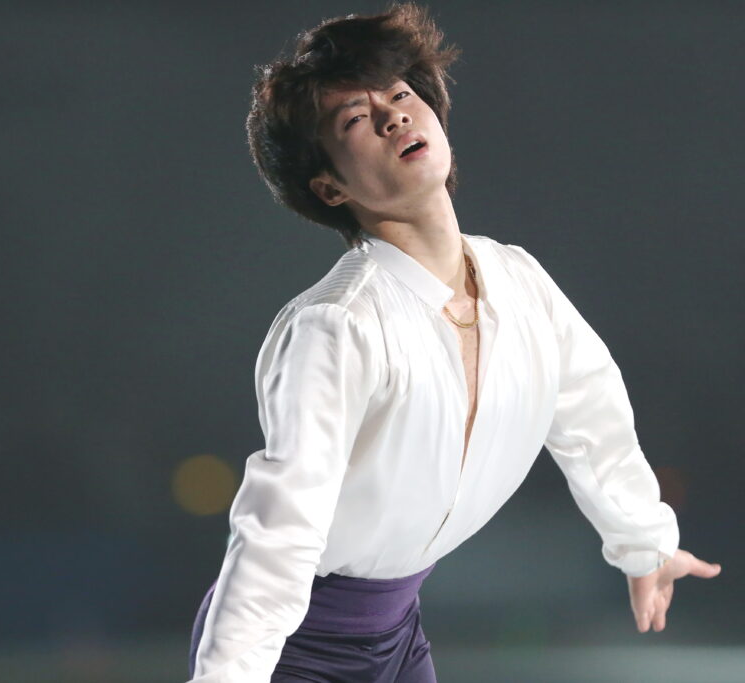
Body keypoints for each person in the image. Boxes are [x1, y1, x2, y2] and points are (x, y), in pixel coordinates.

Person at [186, 3, 722, 681]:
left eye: (400, 95)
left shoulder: (518, 279)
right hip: (295, 647)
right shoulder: (336, 326)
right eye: (354, 119)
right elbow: (278, 532)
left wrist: (644, 542)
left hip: (395, 633)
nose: (392, 117)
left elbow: (591, 411)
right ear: (328, 187)